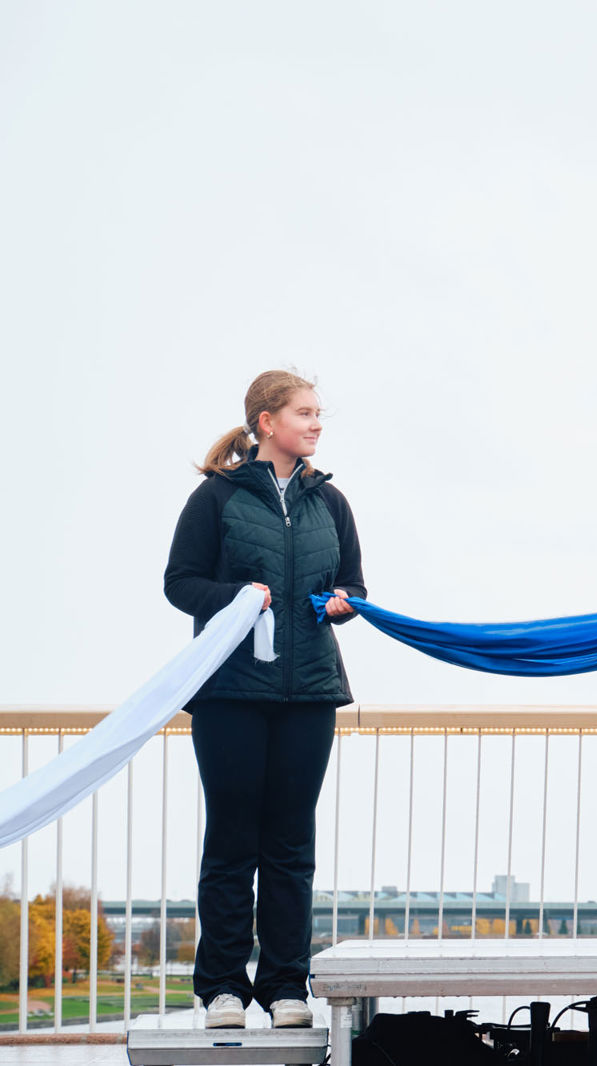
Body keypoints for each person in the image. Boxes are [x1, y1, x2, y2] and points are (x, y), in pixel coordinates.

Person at [164, 370, 365, 1028]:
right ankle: (221, 987)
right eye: (304, 414)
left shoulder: (330, 503)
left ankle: (285, 986)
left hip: (308, 694)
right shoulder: (216, 499)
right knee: (231, 843)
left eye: (317, 414)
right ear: (266, 422)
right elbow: (181, 584)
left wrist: (342, 605)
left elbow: (354, 587)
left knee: (290, 845)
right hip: (229, 694)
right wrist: (242, 596)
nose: (315, 424)